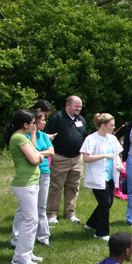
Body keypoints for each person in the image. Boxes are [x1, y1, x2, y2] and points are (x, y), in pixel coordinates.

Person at [6, 109, 44, 264]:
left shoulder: (24, 137)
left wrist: (34, 135)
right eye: (33, 123)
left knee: (29, 219)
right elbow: (34, 158)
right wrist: (40, 156)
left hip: (30, 182)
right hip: (25, 183)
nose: (35, 126)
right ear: (25, 124)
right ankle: (20, 257)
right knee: (30, 220)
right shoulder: (19, 138)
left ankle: (27, 252)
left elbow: (33, 149)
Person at [44, 95, 87, 224]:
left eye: (80, 107)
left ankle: (70, 213)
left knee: (73, 187)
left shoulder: (81, 120)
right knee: (56, 187)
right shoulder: (57, 118)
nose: (78, 109)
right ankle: (52, 214)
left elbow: (85, 136)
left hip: (77, 159)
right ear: (68, 105)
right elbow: (47, 136)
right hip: (60, 157)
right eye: (76, 106)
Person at [80, 113, 123, 242]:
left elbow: (116, 154)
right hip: (98, 176)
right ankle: (101, 233)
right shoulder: (91, 139)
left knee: (108, 203)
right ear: (103, 125)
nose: (113, 127)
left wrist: (119, 164)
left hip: (110, 176)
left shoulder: (112, 139)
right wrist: (103, 156)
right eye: (112, 125)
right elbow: (86, 158)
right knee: (104, 203)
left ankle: (91, 223)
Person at [23, 107, 54, 247]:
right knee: (25, 208)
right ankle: (18, 237)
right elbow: (31, 151)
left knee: (41, 205)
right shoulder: (25, 136)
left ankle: (43, 236)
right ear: (34, 122)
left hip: (44, 172)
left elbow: (51, 151)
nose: (44, 123)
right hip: (30, 174)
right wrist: (39, 153)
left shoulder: (43, 135)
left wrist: (38, 154)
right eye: (42, 120)